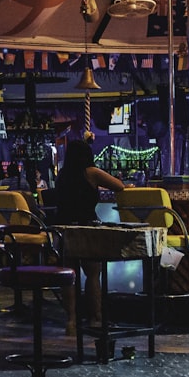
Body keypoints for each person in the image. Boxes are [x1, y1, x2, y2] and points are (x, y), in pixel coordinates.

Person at [52, 139, 125, 335]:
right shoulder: (91, 172)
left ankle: (71, 322)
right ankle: (95, 318)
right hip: (86, 228)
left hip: (63, 228)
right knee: (93, 274)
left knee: (68, 276)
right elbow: (119, 186)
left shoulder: (63, 175)